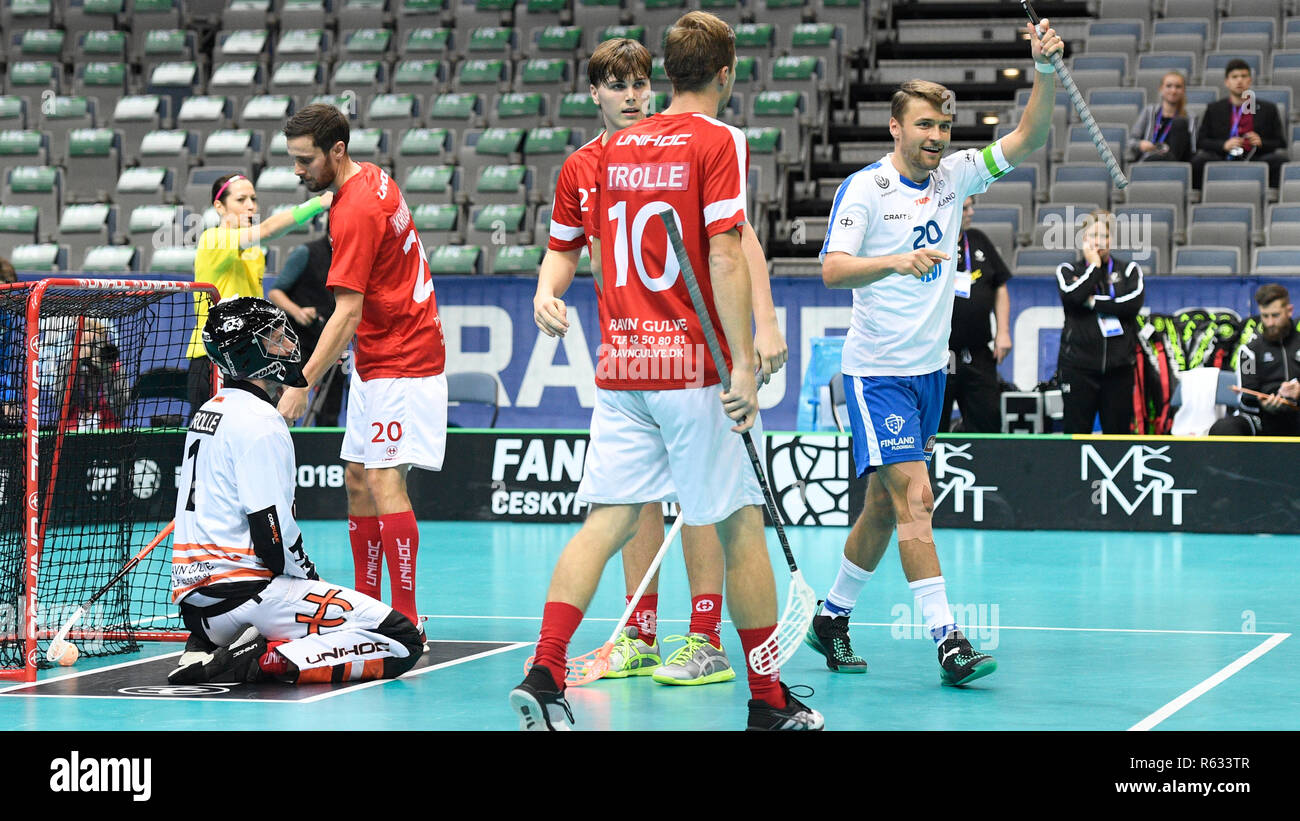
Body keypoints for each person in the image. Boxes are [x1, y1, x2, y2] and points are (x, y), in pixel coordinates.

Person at [511, 10, 822, 731]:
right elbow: (721, 251)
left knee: (607, 520)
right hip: (690, 366)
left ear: (664, 75)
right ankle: (769, 701)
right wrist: (742, 361)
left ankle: (545, 668)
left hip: (622, 366)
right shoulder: (717, 140)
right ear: (727, 72)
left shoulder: (615, 152)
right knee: (740, 524)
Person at [808, 17, 1064, 685]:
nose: (936, 137)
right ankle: (948, 640)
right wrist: (897, 261)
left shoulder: (954, 178)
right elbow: (832, 269)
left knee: (883, 507)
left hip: (928, 376)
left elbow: (1030, 136)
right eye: (924, 125)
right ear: (896, 128)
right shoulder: (865, 190)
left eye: (944, 127)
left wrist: (1044, 71)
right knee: (916, 498)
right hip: (876, 376)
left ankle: (831, 616)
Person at [168, 297, 424, 686]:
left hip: (199, 609)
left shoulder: (209, 410)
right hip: (249, 597)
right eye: (273, 338)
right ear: (250, 353)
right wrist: (312, 583)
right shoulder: (263, 422)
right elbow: (272, 535)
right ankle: (260, 660)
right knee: (402, 640)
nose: (287, 345)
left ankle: (212, 646)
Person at [276, 103, 448, 636]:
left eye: (305, 161)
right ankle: (366, 609)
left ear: (337, 152)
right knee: (356, 479)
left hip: (404, 356)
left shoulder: (353, 213)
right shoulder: (371, 178)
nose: (297, 171)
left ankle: (406, 620)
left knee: (382, 479)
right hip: (376, 358)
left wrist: (300, 382)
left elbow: (346, 311)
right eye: (294, 161)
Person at [186, 173, 333, 419]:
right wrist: (318, 203)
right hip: (213, 360)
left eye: (253, 199)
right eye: (241, 199)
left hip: (250, 363)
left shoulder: (255, 252)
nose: (251, 206)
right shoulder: (213, 239)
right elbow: (265, 230)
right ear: (219, 206)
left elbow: (260, 319)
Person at [1055, 209, 1145, 434]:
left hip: (1119, 370)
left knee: (1118, 436)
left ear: (1111, 240)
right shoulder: (1068, 270)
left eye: (1103, 236)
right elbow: (1073, 297)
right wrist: (1093, 267)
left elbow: (1131, 305)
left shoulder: (1129, 270)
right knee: (1076, 432)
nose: (1099, 241)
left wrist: (1093, 302)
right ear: (1083, 240)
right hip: (1078, 368)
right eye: (1092, 236)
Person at [941, 197, 1012, 433]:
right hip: (941, 354)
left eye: (971, 206)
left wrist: (1002, 332)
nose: (971, 212)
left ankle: (986, 470)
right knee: (933, 426)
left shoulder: (978, 239)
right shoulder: (933, 243)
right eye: (965, 208)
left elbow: (1000, 285)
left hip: (979, 352)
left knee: (987, 423)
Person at [267, 236, 343, 427]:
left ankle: (323, 455)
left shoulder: (350, 255)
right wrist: (298, 312)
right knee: (285, 408)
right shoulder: (305, 252)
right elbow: (275, 292)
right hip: (298, 344)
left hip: (334, 343)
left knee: (330, 412)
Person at [1210, 284, 1300, 437]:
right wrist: (1265, 402)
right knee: (1224, 428)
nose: (1270, 322)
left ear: (1289, 311)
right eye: (1265, 316)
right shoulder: (1249, 351)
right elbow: (1246, 400)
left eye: (1275, 315)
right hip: (1262, 418)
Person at [1191, 59, 1288, 188]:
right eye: (1234, 77)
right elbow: (1201, 141)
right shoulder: (1214, 109)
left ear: (1250, 80)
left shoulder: (1268, 109)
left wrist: (1261, 142)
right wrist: (1223, 145)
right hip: (1223, 156)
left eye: (1244, 76)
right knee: (1198, 161)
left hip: (1255, 156)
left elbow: (1280, 142)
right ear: (1227, 82)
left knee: (1280, 161)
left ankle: (1272, 199)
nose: (1239, 80)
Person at [1128, 70, 1196, 164]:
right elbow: (1131, 141)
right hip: (1150, 158)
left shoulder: (1190, 117)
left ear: (1184, 90)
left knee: (1180, 123)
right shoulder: (1149, 111)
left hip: (1177, 164)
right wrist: (1140, 144)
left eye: (1178, 87)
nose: (1173, 90)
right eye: (1169, 86)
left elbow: (1193, 149)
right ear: (1161, 89)